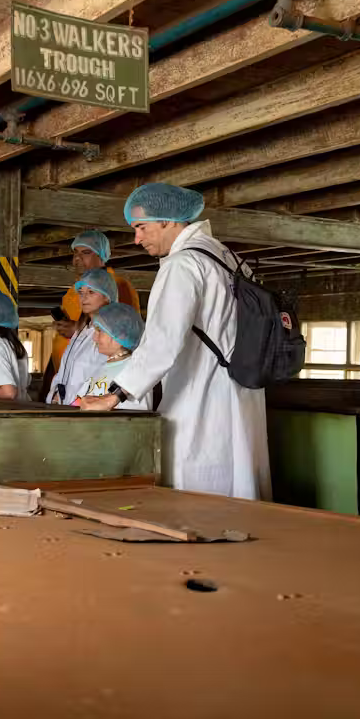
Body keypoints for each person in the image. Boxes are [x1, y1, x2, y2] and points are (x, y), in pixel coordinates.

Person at [80, 183, 271, 501]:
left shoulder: (183, 264)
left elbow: (162, 341)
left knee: (199, 492)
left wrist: (114, 396)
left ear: (167, 220)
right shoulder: (229, 258)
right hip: (242, 388)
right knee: (240, 478)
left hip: (201, 395)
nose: (136, 238)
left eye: (141, 227)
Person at [39, 230, 140, 402]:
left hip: (89, 401)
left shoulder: (118, 286)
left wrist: (80, 401)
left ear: (101, 255)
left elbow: (124, 337)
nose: (77, 259)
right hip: (68, 398)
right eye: (75, 253)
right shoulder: (75, 301)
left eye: (85, 252)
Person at [45, 268, 116, 406]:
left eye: (91, 292)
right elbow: (64, 372)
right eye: (81, 292)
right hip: (66, 408)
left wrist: (78, 402)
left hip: (87, 409)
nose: (83, 298)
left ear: (107, 296)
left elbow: (105, 376)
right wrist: (55, 395)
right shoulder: (82, 330)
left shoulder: (110, 333)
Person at [74, 303, 151, 411]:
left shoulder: (134, 371)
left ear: (121, 335)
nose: (94, 338)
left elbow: (134, 417)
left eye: (100, 331)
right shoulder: (101, 367)